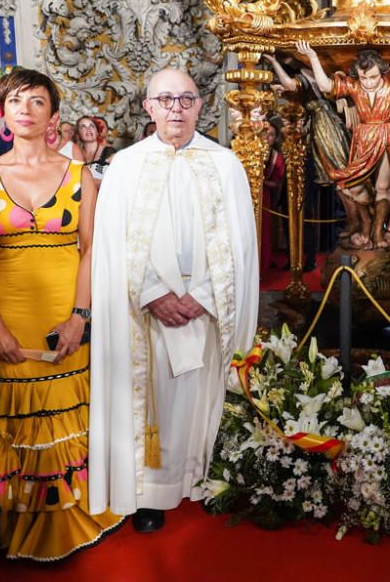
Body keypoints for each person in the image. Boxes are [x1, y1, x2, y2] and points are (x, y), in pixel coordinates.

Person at [0, 68, 122, 561]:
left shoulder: (79, 174)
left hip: (66, 307)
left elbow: (91, 250)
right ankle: (11, 521)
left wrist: (79, 317)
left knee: (68, 410)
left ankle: (71, 513)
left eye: (37, 101)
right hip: (8, 311)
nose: (25, 108)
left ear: (53, 115)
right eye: (16, 100)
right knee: (15, 414)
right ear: (1, 110)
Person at [88, 68, 258, 533]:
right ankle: (151, 494)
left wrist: (203, 295)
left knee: (203, 397)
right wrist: (153, 293)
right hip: (146, 306)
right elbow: (112, 243)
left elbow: (240, 243)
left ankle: (205, 479)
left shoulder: (224, 163)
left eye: (186, 99)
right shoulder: (125, 165)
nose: (176, 110)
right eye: (165, 100)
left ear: (202, 105)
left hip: (205, 304)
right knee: (156, 398)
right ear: (148, 107)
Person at [293, 38, 390, 249]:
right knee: (352, 186)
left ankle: (378, 232)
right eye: (364, 78)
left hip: (386, 135)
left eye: (372, 77)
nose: (368, 82)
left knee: (382, 187)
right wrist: (313, 57)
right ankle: (366, 224)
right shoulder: (354, 87)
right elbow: (326, 87)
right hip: (363, 138)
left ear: (381, 73)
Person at [261, 119, 286, 273]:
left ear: (276, 138)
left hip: (265, 198)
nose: (267, 137)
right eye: (265, 133)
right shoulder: (250, 151)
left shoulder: (277, 157)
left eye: (271, 135)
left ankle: (263, 264)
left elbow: (276, 183)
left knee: (264, 232)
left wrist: (261, 181)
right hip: (246, 197)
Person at [75, 116, 115, 185]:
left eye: (92, 126)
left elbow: (115, 182)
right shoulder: (74, 153)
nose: (88, 129)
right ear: (78, 134)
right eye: (83, 127)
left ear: (97, 132)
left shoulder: (109, 152)